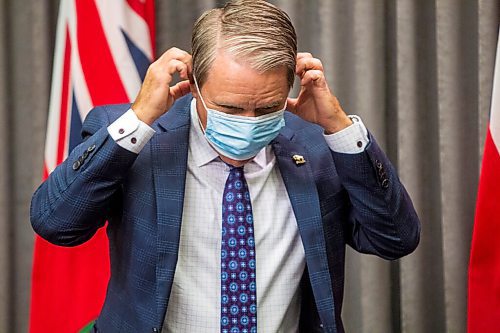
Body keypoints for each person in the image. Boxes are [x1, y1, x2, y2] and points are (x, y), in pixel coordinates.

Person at [30, 1, 420, 332]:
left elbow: (394, 239)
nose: (249, 122)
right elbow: (56, 224)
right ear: (194, 83)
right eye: (230, 108)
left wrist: (339, 127)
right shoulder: (136, 138)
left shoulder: (318, 147)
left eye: (267, 107)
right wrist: (138, 120)